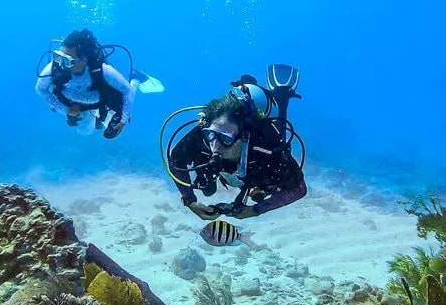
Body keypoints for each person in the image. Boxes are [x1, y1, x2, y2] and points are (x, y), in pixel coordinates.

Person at [167, 67, 306, 220]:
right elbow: (176, 159)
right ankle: (246, 86)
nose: (215, 147)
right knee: (207, 189)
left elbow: (298, 189)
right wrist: (190, 200)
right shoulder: (203, 133)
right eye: (210, 134)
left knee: (268, 183)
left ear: (243, 138)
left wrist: (256, 209)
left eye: (225, 138)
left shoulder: (266, 148)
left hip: (256, 155)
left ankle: (281, 95)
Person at [35, 29, 163, 139]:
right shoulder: (53, 68)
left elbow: (126, 90)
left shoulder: (103, 71)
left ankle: (135, 79)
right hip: (74, 104)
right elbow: (40, 89)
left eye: (67, 60)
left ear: (84, 59)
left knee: (108, 130)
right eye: (59, 56)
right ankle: (96, 120)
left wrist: (123, 120)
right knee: (85, 132)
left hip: (99, 100)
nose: (61, 64)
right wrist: (65, 110)